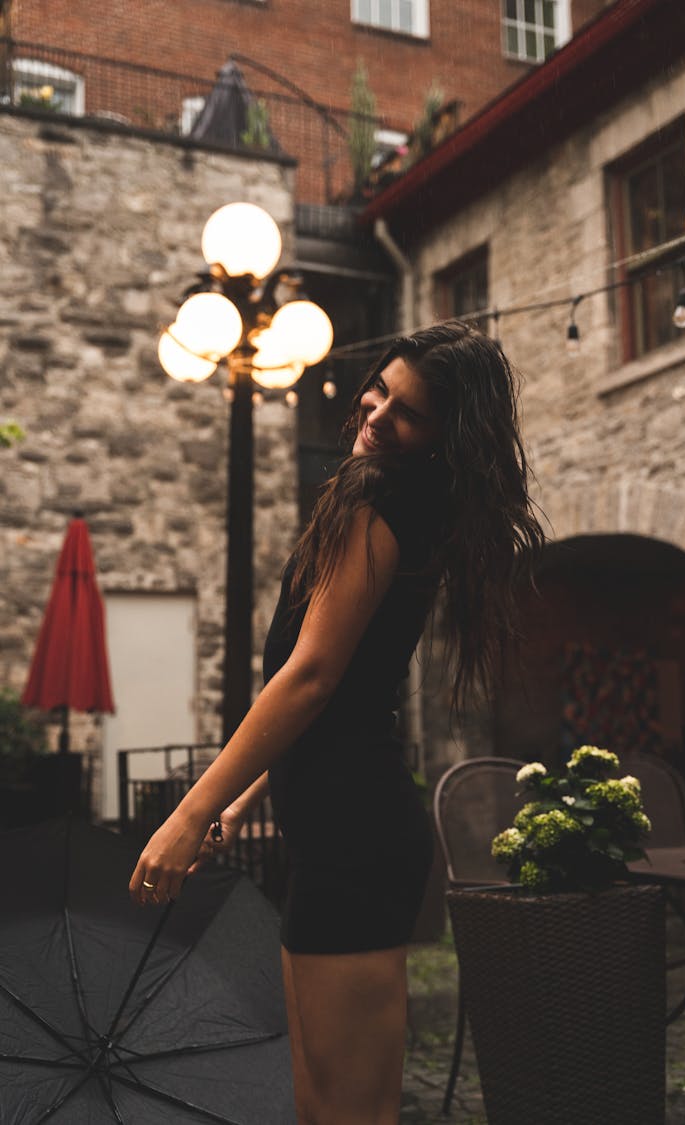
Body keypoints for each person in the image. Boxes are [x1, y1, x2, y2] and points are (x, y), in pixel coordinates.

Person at [129, 318, 545, 1125]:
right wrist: (249, 790)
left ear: (442, 437)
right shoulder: (406, 505)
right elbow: (345, 686)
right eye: (379, 389)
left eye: (408, 412)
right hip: (334, 835)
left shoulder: (378, 502)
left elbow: (313, 677)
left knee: (349, 1111)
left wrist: (193, 811)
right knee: (319, 1103)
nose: (377, 412)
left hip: (355, 840)